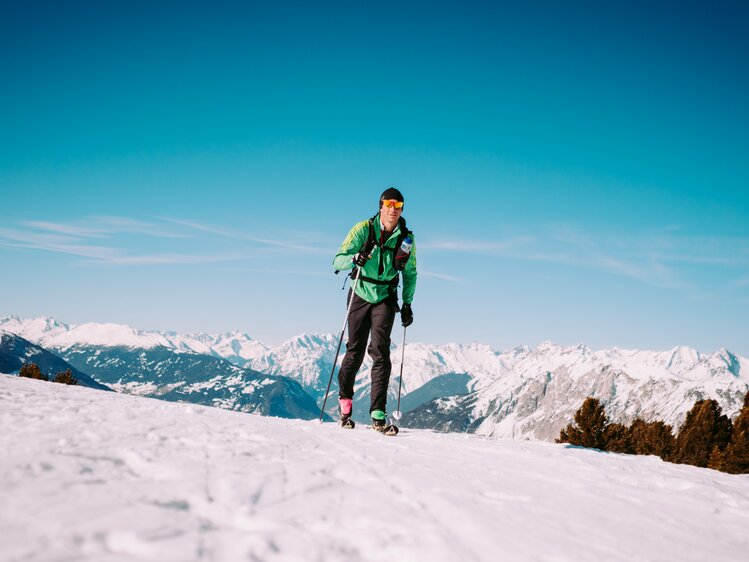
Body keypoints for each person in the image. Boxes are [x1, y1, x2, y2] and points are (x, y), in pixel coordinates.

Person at [332, 187, 417, 431]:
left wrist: (408, 303)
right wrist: (354, 258)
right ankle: (346, 406)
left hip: (386, 297)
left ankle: (378, 413)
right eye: (389, 204)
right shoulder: (363, 229)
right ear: (380, 206)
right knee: (355, 350)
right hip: (360, 291)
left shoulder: (406, 238)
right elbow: (337, 259)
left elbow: (410, 272)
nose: (393, 209)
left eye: (398, 205)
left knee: (380, 351)